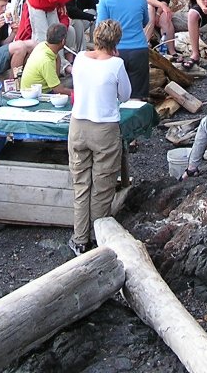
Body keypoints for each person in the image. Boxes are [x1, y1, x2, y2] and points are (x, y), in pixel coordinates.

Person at [67, 19, 132, 255]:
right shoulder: (116, 64)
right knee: (103, 186)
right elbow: (125, 95)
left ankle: (80, 237)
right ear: (116, 42)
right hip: (104, 128)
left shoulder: (81, 59)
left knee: (81, 183)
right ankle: (98, 235)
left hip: (78, 125)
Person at [97, 0, 150, 100]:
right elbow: (145, 22)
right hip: (138, 50)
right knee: (137, 97)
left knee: (113, 95)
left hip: (114, 50)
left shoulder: (105, 0)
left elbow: (100, 27)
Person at [20, 24, 74, 97]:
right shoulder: (46, 61)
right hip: (40, 94)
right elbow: (58, 90)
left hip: (34, 90)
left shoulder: (42, 45)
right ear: (63, 41)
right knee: (75, 82)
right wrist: (80, 94)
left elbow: (57, 58)